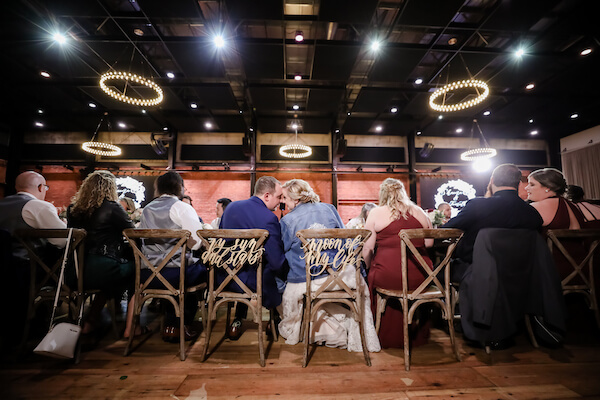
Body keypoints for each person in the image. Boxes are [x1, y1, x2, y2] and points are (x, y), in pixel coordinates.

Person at [277, 179, 380, 352]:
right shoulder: (329, 209)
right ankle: (346, 330)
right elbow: (346, 239)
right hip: (343, 277)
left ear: (296, 199)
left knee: (282, 287)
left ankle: (321, 328)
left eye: (285, 198)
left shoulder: (288, 220)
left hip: (308, 281)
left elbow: (282, 251)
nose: (283, 202)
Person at [127, 171, 206, 341]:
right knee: (203, 270)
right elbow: (198, 242)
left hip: (148, 274)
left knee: (185, 272)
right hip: (176, 274)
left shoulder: (147, 209)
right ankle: (179, 324)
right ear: (179, 187)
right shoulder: (182, 207)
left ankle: (170, 322)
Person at [363, 178, 433, 349]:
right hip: (421, 276)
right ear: (403, 192)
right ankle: (414, 330)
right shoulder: (419, 212)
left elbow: (368, 249)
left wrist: (366, 268)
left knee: (371, 275)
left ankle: (382, 332)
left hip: (390, 275)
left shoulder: (376, 213)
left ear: (383, 194)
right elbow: (429, 243)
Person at [444, 164, 543, 283]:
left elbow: (446, 229)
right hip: (522, 273)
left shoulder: (477, 206)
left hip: (476, 271)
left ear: (492, 181)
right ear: (519, 184)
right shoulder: (532, 214)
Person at [0, 171, 66, 345]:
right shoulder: (37, 206)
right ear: (40, 187)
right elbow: (62, 240)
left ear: (16, 187)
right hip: (28, 271)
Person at [67, 170, 135, 335]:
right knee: (136, 270)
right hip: (101, 268)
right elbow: (133, 233)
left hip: (73, 270)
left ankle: (93, 319)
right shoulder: (112, 208)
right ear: (110, 188)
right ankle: (131, 327)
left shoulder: (73, 209)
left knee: (110, 278)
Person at [219, 176, 286, 340]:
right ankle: (275, 320)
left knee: (250, 265)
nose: (279, 203)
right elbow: (277, 263)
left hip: (223, 278)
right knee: (275, 270)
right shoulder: (269, 218)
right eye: (278, 197)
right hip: (253, 282)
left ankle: (237, 321)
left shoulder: (230, 208)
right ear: (267, 196)